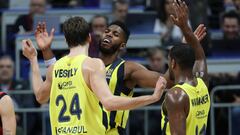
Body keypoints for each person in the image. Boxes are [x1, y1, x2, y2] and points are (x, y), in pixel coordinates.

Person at [34, 17, 206, 134]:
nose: (109, 34)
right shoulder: (88, 64)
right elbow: (56, 76)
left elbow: (167, 81)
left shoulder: (128, 69)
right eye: (107, 31)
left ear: (122, 45)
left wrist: (181, 51)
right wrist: (46, 51)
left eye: (115, 34)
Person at [161, 1, 210, 134]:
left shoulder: (176, 95)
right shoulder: (202, 82)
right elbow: (200, 57)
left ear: (173, 63)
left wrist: (185, 28)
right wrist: (185, 28)